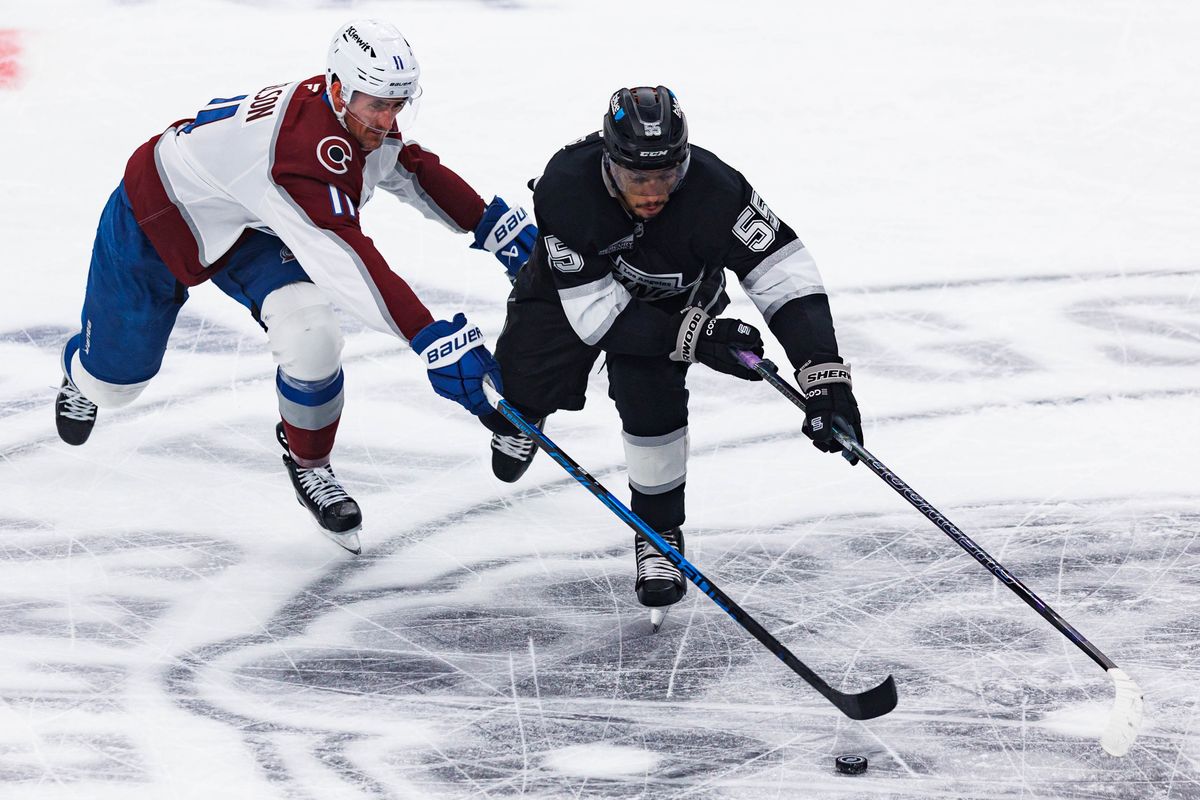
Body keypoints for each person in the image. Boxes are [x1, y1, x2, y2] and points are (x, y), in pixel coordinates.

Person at [54, 19, 537, 554]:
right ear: (338, 90)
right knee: (113, 386)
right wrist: (429, 337)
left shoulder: (352, 114)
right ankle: (82, 373)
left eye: (398, 105)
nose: (387, 121)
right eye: (379, 105)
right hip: (158, 215)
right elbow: (346, 261)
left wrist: (491, 224)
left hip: (252, 222)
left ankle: (310, 463)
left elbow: (409, 168)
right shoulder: (300, 158)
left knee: (312, 333)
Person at [482, 86, 864, 613]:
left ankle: (658, 531)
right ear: (609, 163)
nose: (653, 191)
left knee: (651, 398)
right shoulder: (567, 187)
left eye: (666, 174)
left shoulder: (717, 189)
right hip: (570, 293)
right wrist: (698, 340)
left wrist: (823, 371)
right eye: (637, 177)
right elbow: (596, 316)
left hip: (676, 299)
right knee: (524, 378)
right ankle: (526, 412)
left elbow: (783, 273)